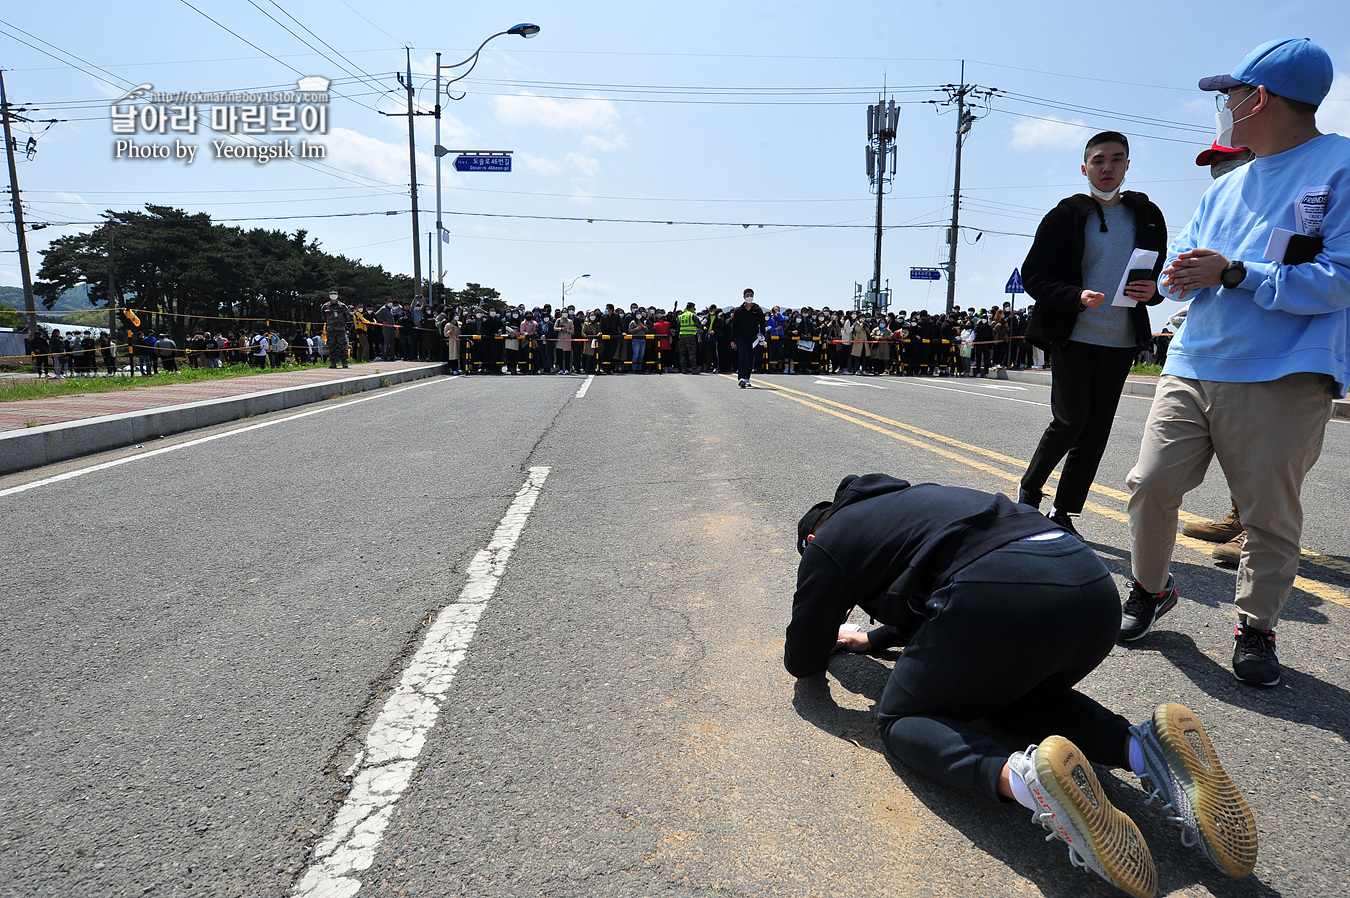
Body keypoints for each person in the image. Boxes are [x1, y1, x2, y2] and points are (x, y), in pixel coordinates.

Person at [785, 474, 1256, 897]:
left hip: (1003, 594)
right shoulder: (918, 501)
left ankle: (1029, 782)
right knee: (1010, 697)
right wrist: (872, 637)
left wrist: (829, 620)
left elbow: (802, 657)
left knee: (900, 718)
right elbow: (923, 605)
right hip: (1090, 592)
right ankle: (1144, 749)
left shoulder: (828, 542)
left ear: (813, 535)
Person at [1120, 38, 1350, 688]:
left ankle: (1256, 630)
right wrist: (1179, 275)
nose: (1223, 108)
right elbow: (1185, 266)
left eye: (1228, 95)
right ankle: (1149, 590)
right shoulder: (1230, 184)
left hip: (1283, 372)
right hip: (1194, 362)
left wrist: (1239, 272)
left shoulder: (1340, 165)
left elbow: (1340, 277)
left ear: (1261, 98)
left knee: (1268, 515)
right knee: (1152, 483)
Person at [1019, 131, 1168, 539]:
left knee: (1096, 429)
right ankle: (1029, 491)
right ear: (1085, 168)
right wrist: (1074, 296)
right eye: (1099, 161)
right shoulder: (1064, 215)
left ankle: (1064, 511)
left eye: (1117, 160)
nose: (1108, 168)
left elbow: (1156, 277)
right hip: (1074, 334)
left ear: (1127, 166)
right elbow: (1033, 275)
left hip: (1120, 339)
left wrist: (1154, 292)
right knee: (1070, 421)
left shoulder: (1148, 216)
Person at [1175, 141, 1256, 561]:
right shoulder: (1214, 209)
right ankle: (1239, 516)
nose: (1219, 172)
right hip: (1216, 348)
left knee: (1265, 454)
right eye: (1214, 167)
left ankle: (1257, 529)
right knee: (1234, 447)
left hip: (1272, 352)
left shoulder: (1270, 205)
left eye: (1227, 162)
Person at [730, 288, 766, 388]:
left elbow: (762, 324)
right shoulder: (739, 310)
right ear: (744, 297)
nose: (749, 297)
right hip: (741, 337)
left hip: (754, 338)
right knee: (743, 357)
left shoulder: (757, 309)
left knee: (750, 358)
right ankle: (741, 378)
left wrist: (762, 336)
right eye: (747, 295)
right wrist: (733, 340)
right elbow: (735, 326)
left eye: (751, 295)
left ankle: (747, 378)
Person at [321, 289, 353, 368]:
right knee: (332, 346)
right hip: (330, 330)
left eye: (335, 294)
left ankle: (344, 362)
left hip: (340, 330)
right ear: (329, 295)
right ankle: (333, 363)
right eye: (331, 294)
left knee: (342, 346)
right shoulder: (325, 306)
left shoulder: (342, 306)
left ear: (337, 295)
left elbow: (347, 317)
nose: (333, 295)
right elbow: (323, 317)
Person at [676, 302, 700, 374]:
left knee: (682, 354)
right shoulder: (692, 315)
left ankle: (683, 369)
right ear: (691, 308)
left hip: (681, 336)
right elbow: (699, 324)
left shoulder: (681, 316)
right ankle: (694, 369)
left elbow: (678, 327)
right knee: (692, 353)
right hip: (690, 336)